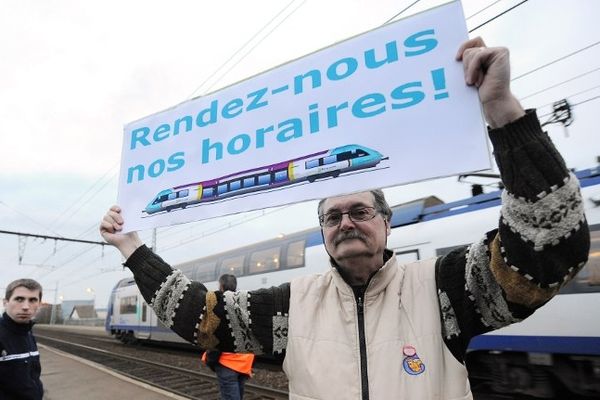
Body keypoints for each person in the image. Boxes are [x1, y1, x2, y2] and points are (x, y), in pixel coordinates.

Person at [100, 37, 590, 399]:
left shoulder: (445, 288)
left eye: (359, 210)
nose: (345, 223)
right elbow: (202, 318)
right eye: (332, 217)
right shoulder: (292, 304)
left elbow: (547, 251)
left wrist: (503, 112)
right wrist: (132, 248)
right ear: (324, 235)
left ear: (386, 222)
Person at [201, 274, 255, 400]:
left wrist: (211, 360)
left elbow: (216, 336)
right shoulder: (245, 304)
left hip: (227, 363)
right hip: (245, 363)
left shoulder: (219, 305)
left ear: (221, 286)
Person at [0, 279, 44, 400]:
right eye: (19, 299)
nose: (25, 306)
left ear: (39, 304)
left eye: (33, 300)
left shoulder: (28, 333)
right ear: (5, 302)